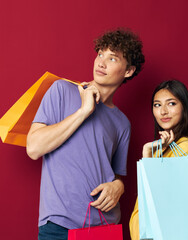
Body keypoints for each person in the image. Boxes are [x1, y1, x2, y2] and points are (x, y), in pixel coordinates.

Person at [26, 28, 145, 240]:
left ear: (128, 71)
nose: (101, 62)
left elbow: (114, 175)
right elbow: (34, 148)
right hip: (59, 226)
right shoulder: (61, 90)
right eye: (100, 54)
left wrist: (119, 186)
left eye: (112, 58)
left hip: (105, 227)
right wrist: (83, 112)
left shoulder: (122, 123)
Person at [129, 80, 188, 240]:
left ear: (184, 108)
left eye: (171, 103)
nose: (163, 111)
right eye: (157, 105)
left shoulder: (185, 148)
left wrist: (147, 154)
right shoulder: (162, 149)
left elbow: (159, 204)